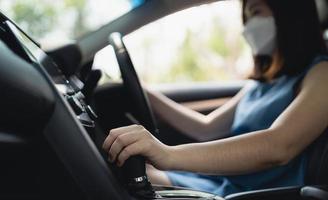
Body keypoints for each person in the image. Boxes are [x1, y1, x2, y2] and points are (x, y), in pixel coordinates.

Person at [102, 0, 328, 196]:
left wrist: (169, 155)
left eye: (256, 12)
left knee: (125, 178)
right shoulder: (265, 81)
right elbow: (206, 128)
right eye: (246, 18)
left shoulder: (321, 74)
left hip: (254, 193)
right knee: (123, 171)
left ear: (289, 13)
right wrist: (146, 93)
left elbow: (278, 146)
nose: (248, 27)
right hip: (223, 181)